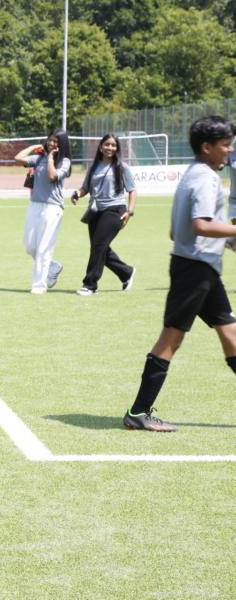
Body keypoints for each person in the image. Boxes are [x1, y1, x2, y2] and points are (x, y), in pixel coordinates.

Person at [124, 116, 236, 432]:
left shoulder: (192, 173)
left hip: (202, 269)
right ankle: (138, 412)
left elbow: (177, 232)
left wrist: (227, 241)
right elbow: (200, 225)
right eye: (225, 145)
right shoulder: (206, 178)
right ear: (207, 147)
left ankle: (138, 412)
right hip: (194, 272)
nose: (230, 150)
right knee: (170, 339)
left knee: (231, 333)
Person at [70, 133, 137, 295]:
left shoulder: (122, 167)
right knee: (99, 248)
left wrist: (129, 212)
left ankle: (90, 285)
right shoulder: (93, 167)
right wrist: (77, 193)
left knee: (98, 246)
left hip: (115, 210)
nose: (110, 148)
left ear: (117, 148)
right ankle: (126, 273)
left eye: (113, 145)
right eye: (107, 144)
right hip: (95, 212)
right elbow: (85, 188)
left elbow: (132, 191)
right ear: (101, 147)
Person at [13, 129, 72, 293]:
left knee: (44, 248)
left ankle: (39, 285)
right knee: (30, 246)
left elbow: (52, 176)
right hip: (34, 205)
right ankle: (53, 266)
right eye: (50, 140)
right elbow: (17, 159)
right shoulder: (39, 158)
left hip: (52, 208)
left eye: (56, 141)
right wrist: (33, 147)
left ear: (62, 144)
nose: (51, 143)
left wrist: (51, 157)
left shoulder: (65, 162)